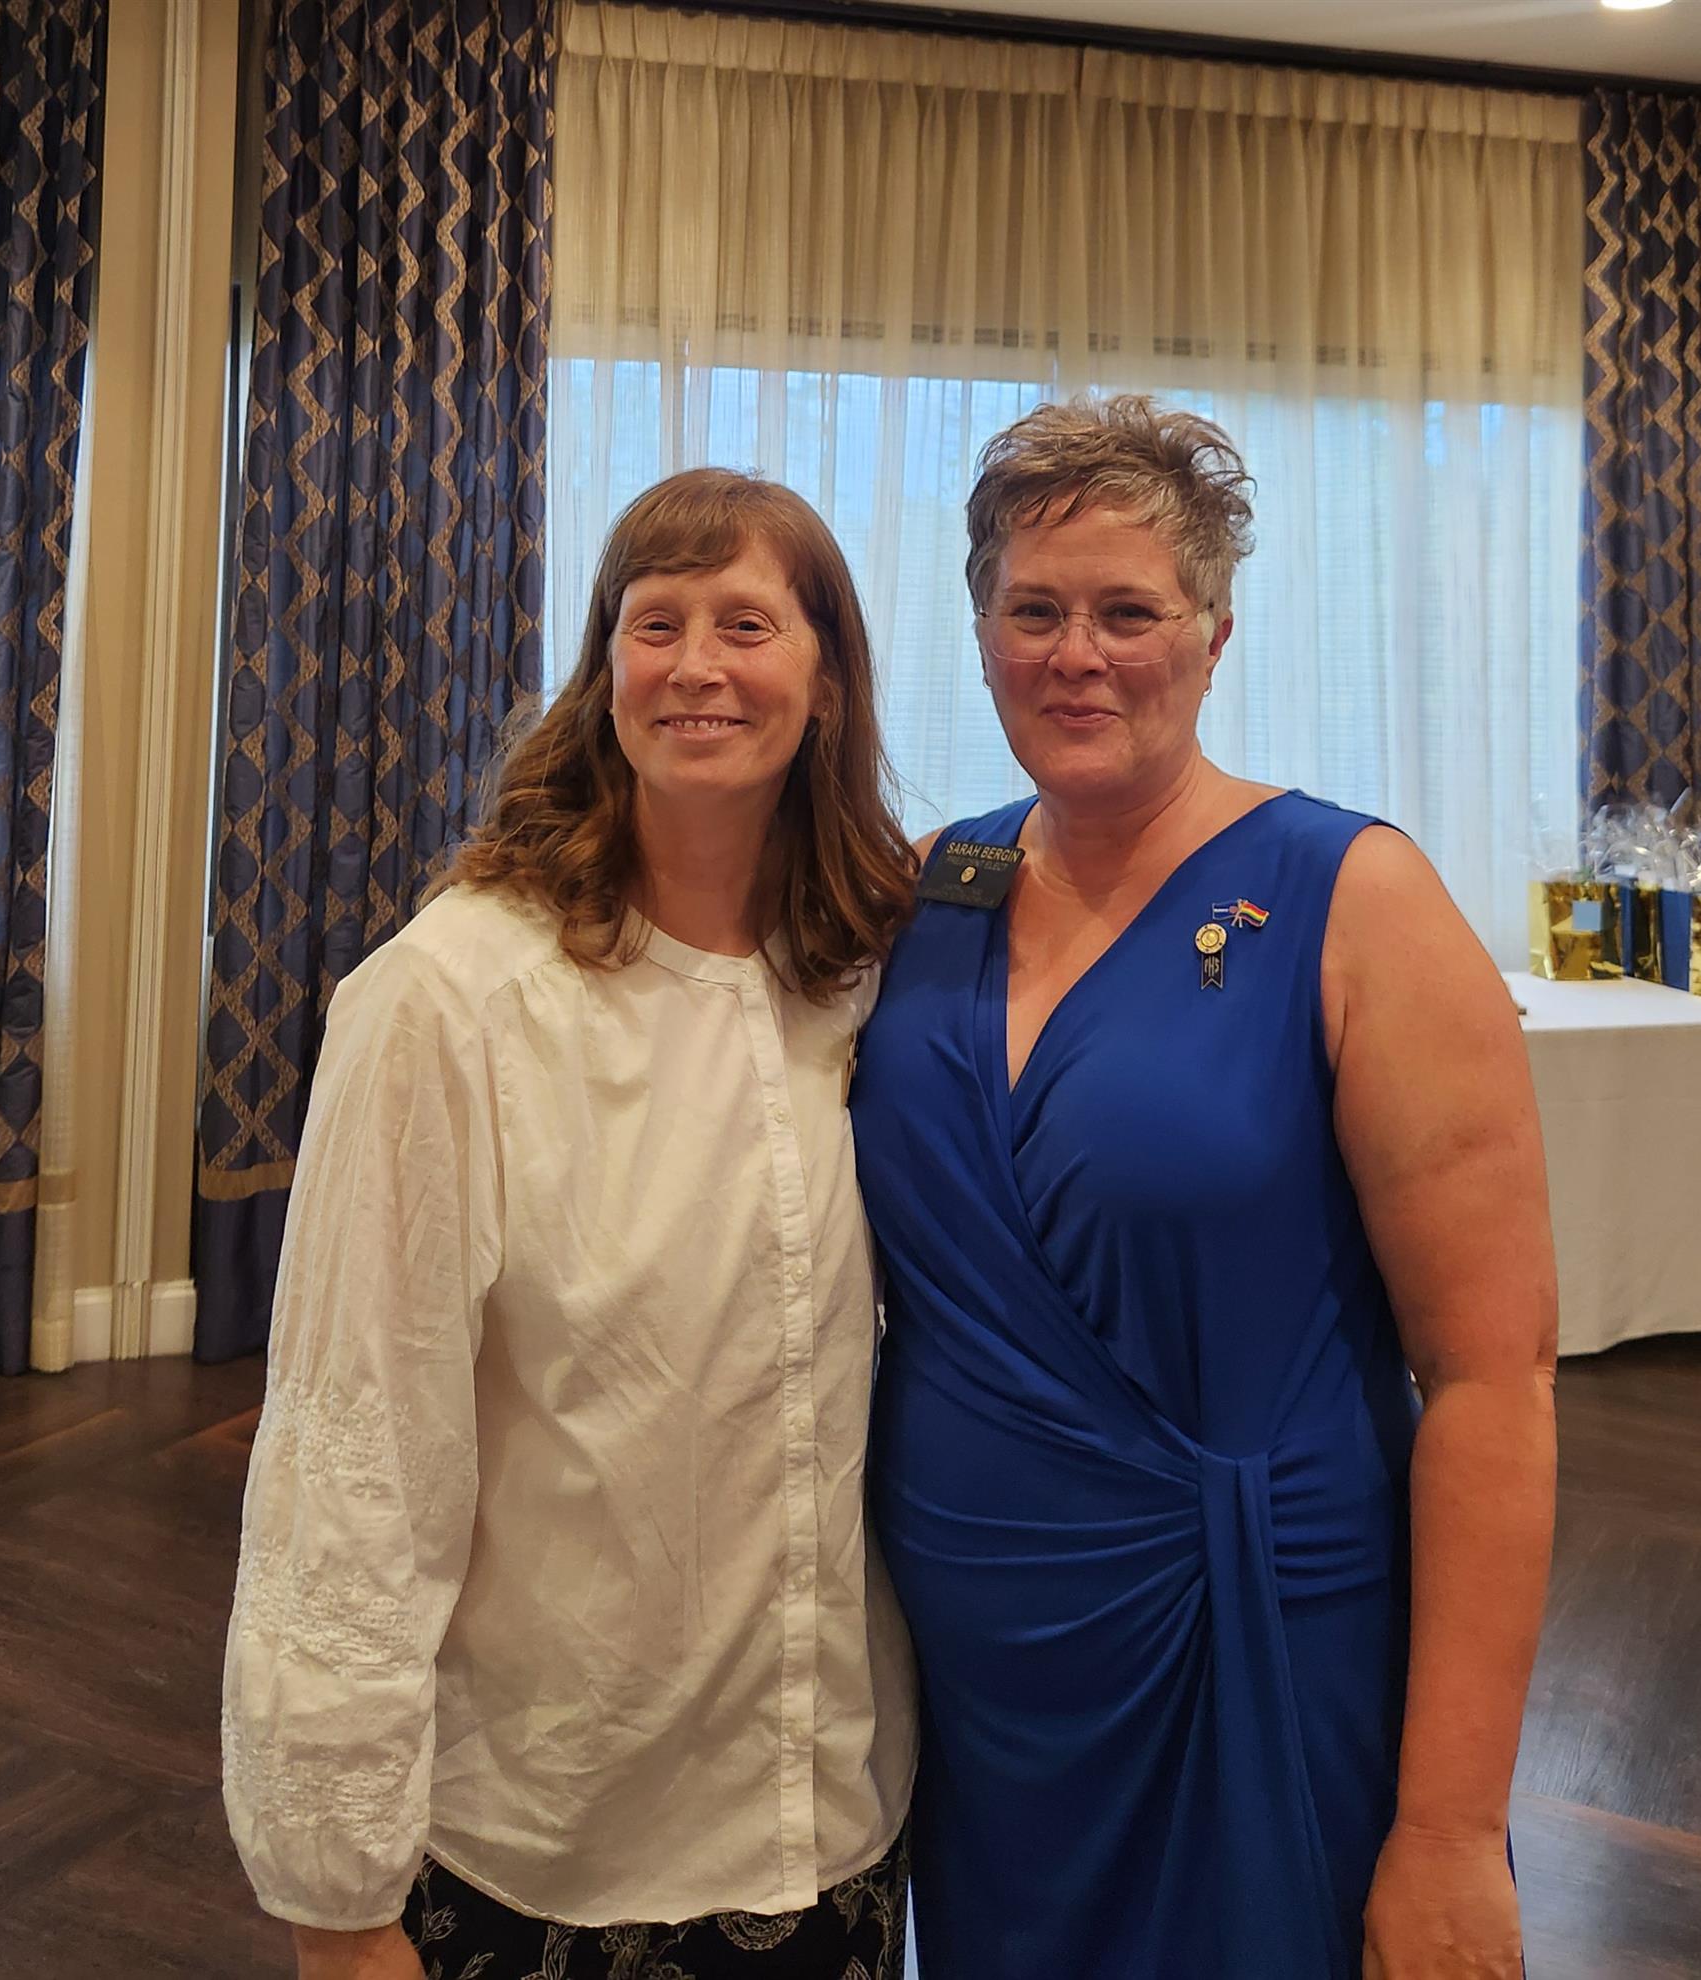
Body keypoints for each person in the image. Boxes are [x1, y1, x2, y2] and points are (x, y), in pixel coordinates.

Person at [849, 396, 1557, 1978]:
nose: (1075, 655)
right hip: (977, 1675)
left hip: (1254, 1630)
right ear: (979, 633)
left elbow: (1491, 1382)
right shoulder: (930, 891)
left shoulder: (1352, 896)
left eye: (1127, 612)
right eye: (1033, 611)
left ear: (1213, 635)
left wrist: (1449, 1831)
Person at [222, 469, 919, 1980]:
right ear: (604, 673)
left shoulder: (867, 973)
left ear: (828, 680)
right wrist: (334, 1899)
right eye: (654, 624)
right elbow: (352, 1457)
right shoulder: (451, 998)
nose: (696, 664)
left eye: (746, 624)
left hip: (833, 1821)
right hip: (555, 1840)